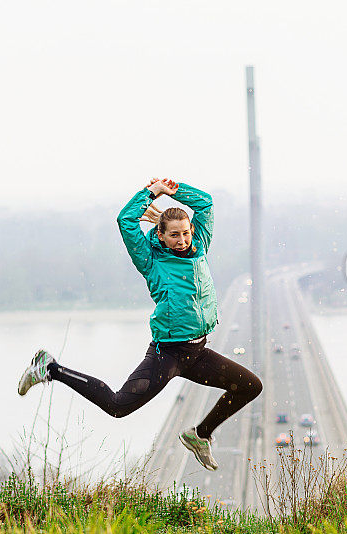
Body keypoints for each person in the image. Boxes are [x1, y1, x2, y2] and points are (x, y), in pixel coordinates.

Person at [17, 178, 262, 471]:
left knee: (250, 386)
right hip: (167, 355)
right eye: (173, 235)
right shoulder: (150, 261)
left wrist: (175, 190)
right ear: (159, 236)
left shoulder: (200, 248)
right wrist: (151, 193)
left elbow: (205, 203)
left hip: (198, 353)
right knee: (118, 406)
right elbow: (126, 220)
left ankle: (200, 435)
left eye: (185, 233)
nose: (181, 240)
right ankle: (50, 368)